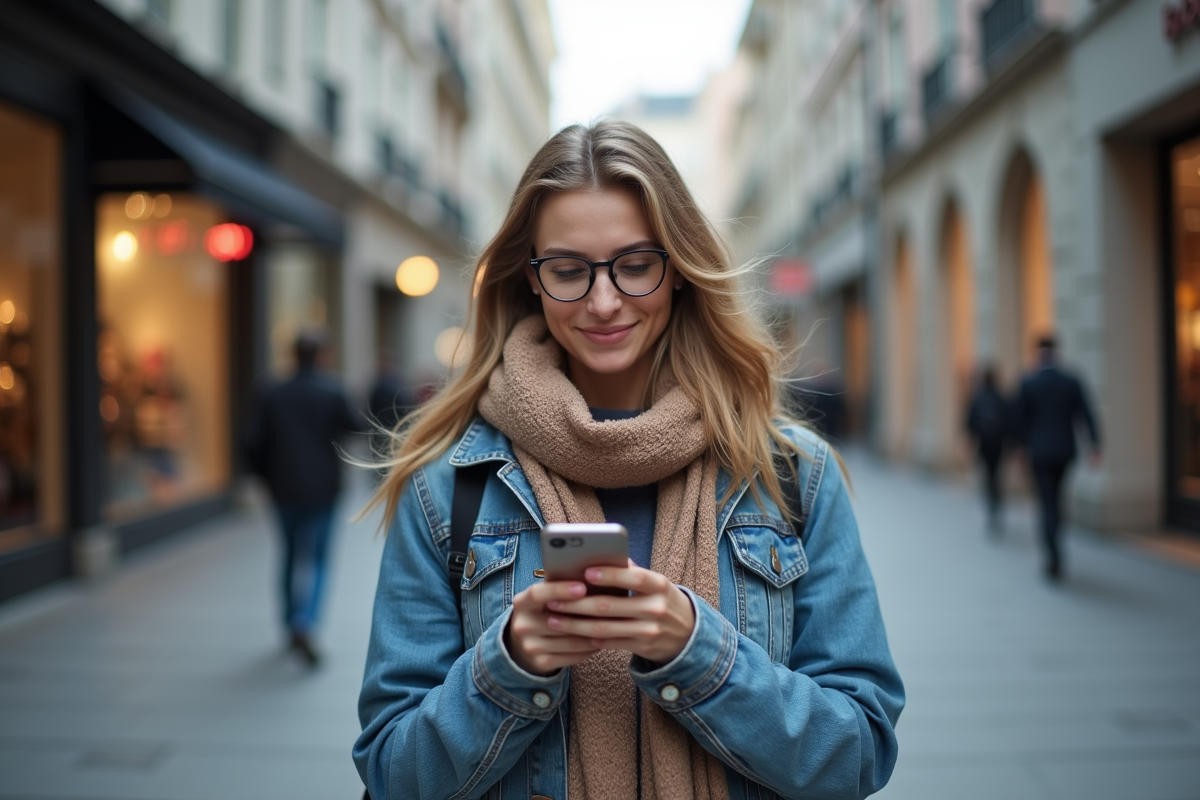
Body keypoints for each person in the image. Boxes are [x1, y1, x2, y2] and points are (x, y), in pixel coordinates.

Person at [353, 121, 904, 799]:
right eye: (568, 271)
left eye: (635, 264)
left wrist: (696, 651)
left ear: (677, 270)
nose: (604, 300)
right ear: (530, 280)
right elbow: (391, 771)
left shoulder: (790, 472)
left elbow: (856, 755)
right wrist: (510, 664)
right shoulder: (449, 485)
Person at [246, 330, 359, 667]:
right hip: (324, 489)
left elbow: (252, 442)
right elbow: (353, 427)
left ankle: (289, 622)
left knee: (290, 554)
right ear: (322, 355)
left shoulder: (272, 391)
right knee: (320, 559)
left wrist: (264, 477)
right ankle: (304, 622)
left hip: (283, 489)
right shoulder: (333, 391)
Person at [1015, 335, 1102, 581]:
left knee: (1046, 502)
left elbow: (1019, 420)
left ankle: (1051, 554)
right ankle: (1056, 549)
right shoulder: (1070, 380)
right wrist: (1094, 444)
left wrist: (1019, 448)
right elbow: (1087, 413)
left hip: (1039, 452)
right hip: (1064, 451)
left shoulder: (1028, 382)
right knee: (1057, 500)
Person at [965, 364, 1011, 533]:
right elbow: (1009, 422)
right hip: (998, 444)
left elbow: (970, 422)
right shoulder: (1001, 398)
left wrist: (970, 443)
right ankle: (997, 504)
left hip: (984, 443)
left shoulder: (978, 398)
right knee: (997, 475)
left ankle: (991, 505)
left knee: (987, 475)